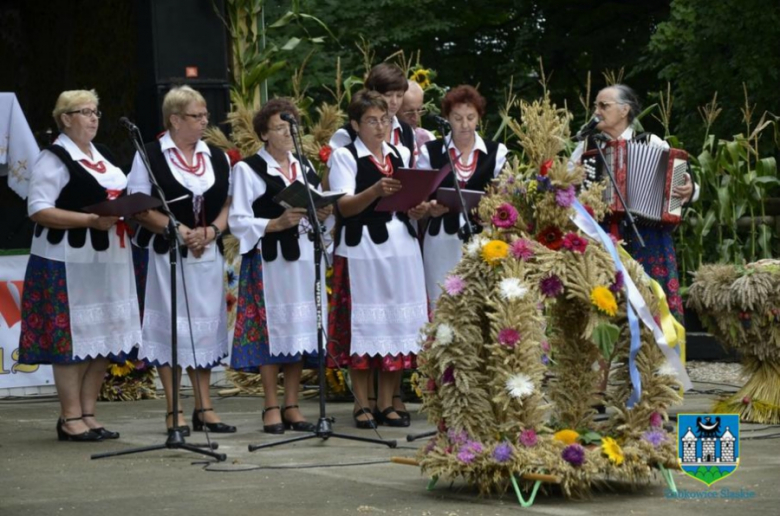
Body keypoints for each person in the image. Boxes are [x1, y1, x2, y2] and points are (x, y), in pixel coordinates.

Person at [18, 89, 141, 441]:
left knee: (104, 337)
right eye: (84, 112)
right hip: (67, 262)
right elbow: (38, 209)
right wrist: (88, 220)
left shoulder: (101, 154)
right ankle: (70, 417)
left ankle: (89, 414)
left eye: (96, 111)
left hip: (109, 259)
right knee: (72, 341)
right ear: (65, 118)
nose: (93, 118)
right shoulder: (53, 158)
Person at [128, 85, 236, 435]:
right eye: (196, 115)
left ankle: (204, 406)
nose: (205, 121)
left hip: (207, 255)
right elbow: (139, 207)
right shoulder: (150, 154)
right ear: (174, 119)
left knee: (204, 331)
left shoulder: (216, 157)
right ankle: (174, 410)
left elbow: (228, 205)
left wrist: (212, 232)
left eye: (206, 115)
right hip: (167, 255)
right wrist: (177, 230)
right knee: (172, 329)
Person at [229, 98, 333, 434]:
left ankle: (292, 404)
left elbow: (317, 214)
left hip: (303, 260)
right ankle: (270, 405)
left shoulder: (305, 166)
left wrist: (322, 213)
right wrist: (275, 223)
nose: (288, 133)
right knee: (271, 333)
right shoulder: (248, 169)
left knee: (299, 332)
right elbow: (238, 220)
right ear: (263, 134)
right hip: (269, 262)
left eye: (292, 127)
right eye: (279, 127)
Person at [327, 90, 429, 429]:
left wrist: (417, 206)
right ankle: (362, 402)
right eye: (372, 120)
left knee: (396, 325)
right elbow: (343, 206)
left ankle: (388, 401)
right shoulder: (345, 157)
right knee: (364, 325)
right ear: (355, 124)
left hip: (401, 248)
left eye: (385, 120)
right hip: (362, 250)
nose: (380, 126)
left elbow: (407, 199)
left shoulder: (399, 152)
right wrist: (375, 191)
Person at [572, 84, 698, 322]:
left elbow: (685, 185)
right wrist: (576, 180)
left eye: (603, 105)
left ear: (624, 110)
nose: (596, 111)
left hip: (648, 235)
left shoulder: (652, 143)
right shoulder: (586, 147)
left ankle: (657, 355)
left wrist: (689, 190)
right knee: (603, 302)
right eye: (595, 106)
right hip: (601, 235)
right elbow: (566, 189)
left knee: (652, 300)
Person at [417, 85, 508, 309]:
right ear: (447, 118)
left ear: (479, 118)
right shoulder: (431, 151)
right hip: (441, 240)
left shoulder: (497, 152)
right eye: (457, 118)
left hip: (481, 239)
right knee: (442, 302)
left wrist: (492, 203)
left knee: (480, 302)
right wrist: (430, 207)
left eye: (470, 117)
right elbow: (419, 198)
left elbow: (504, 197)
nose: (465, 125)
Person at [328, 63, 416, 159]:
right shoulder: (347, 134)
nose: (394, 102)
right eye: (388, 95)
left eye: (399, 95)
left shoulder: (407, 131)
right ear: (371, 94)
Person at [397, 80, 436, 164]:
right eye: (409, 112)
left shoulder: (428, 138)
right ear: (395, 109)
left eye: (419, 110)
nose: (416, 118)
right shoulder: (388, 138)